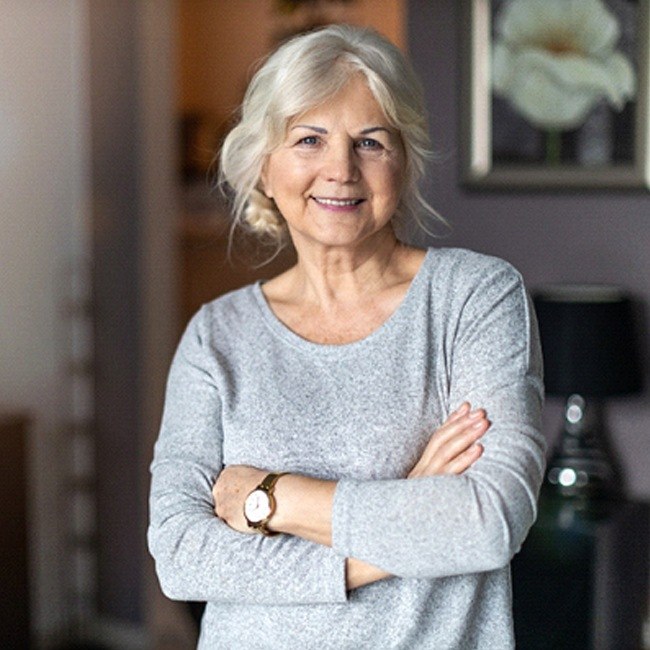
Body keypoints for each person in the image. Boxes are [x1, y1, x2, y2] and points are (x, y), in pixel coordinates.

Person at [148, 24, 545, 649]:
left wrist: (273, 500)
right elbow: (181, 556)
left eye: (370, 141)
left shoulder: (475, 297)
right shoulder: (215, 336)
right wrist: (410, 510)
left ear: (403, 161)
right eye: (309, 139)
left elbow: (489, 520)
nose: (340, 169)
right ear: (263, 167)